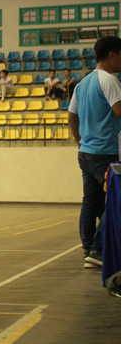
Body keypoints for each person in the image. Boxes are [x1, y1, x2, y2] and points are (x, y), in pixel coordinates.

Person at [68, 36, 121, 269]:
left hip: (87, 153)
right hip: (105, 154)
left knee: (91, 202)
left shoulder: (82, 84)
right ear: (112, 55)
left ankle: (89, 249)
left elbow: (72, 117)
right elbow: (120, 111)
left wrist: (80, 142)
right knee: (116, 200)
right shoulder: (109, 80)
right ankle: (98, 249)